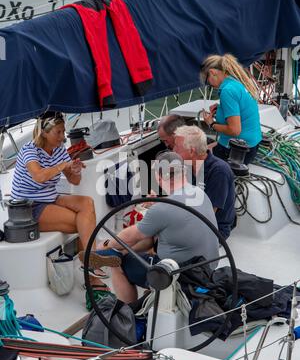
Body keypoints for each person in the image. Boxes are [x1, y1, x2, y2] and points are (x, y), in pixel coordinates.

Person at [82, 152, 219, 304]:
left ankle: (128, 312)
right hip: (207, 269)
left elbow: (130, 236)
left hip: (176, 276)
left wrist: (104, 244)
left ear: (160, 177)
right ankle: (115, 253)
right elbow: (174, 210)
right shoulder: (199, 193)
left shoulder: (163, 210)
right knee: (151, 237)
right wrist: (157, 203)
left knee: (118, 264)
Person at [11, 110, 113, 307]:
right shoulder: (29, 150)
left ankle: (91, 263)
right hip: (28, 208)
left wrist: (73, 170)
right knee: (82, 222)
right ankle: (92, 275)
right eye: (58, 132)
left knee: (87, 204)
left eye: (63, 132)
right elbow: (39, 176)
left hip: (50, 197)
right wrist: (62, 166)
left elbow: (74, 180)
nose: (63, 137)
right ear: (44, 132)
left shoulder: (59, 150)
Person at [173, 125, 236, 239]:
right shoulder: (186, 166)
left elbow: (207, 215)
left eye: (177, 147)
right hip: (189, 219)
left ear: (191, 152)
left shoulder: (219, 172)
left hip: (213, 230)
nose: (173, 151)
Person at [201, 54, 262, 165]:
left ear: (212, 72)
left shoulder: (227, 91)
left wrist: (211, 124)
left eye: (207, 81)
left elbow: (234, 130)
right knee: (207, 148)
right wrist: (221, 109)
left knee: (194, 161)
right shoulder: (237, 83)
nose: (209, 84)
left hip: (237, 152)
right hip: (251, 145)